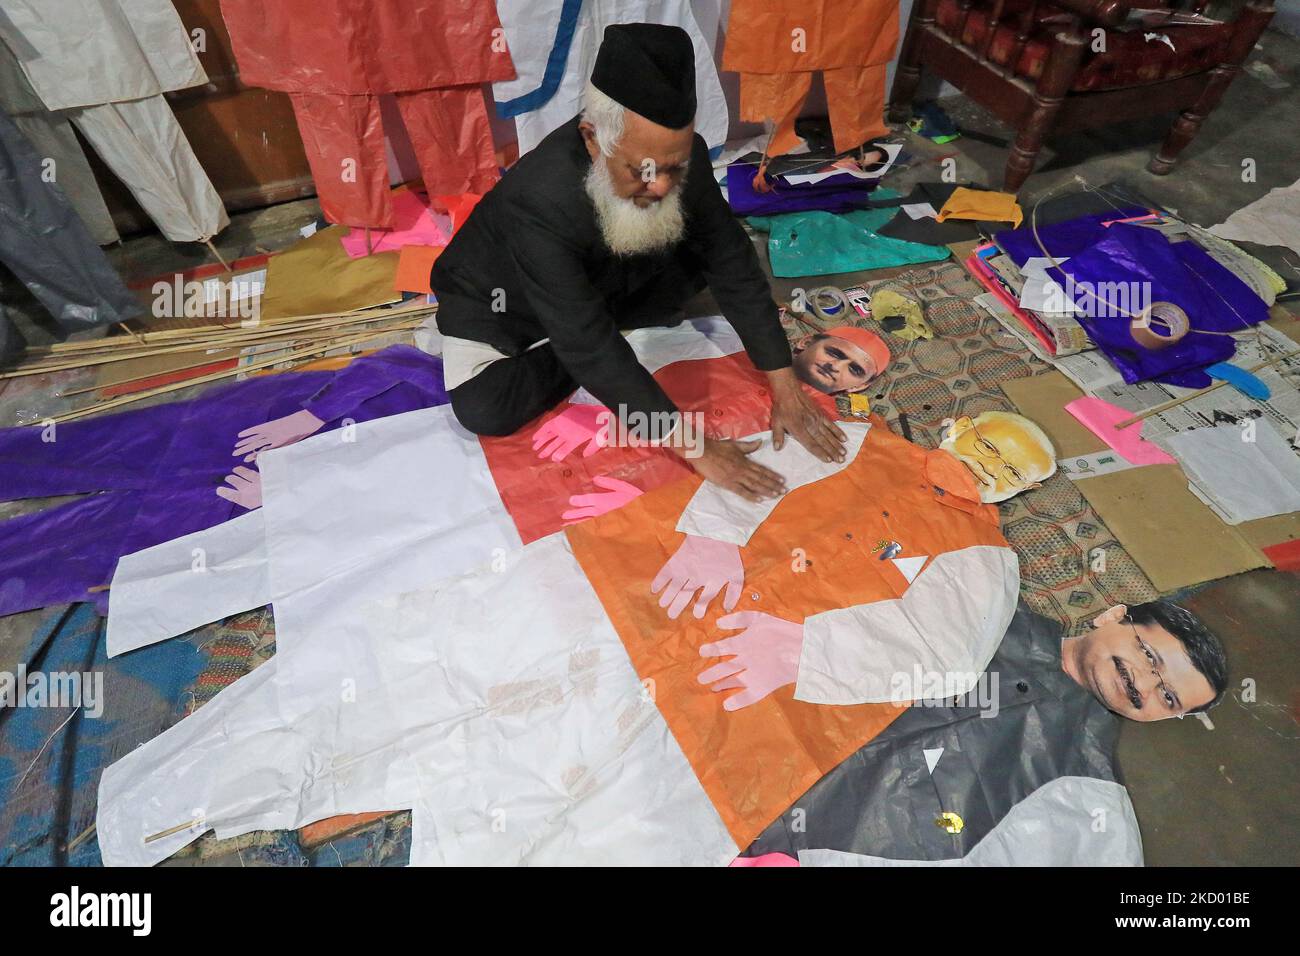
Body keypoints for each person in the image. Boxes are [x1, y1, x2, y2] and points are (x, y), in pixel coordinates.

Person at [430, 23, 845, 504]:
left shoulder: (672, 154)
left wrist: (785, 385)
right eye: (644, 170)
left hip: (600, 277)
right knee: (486, 408)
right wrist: (692, 444)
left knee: (701, 257)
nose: (663, 185)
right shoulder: (539, 200)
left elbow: (729, 258)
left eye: (674, 168)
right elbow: (585, 342)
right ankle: (597, 334)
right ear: (592, 139)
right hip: (504, 305)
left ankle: (607, 323)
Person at [744, 598, 1228, 865]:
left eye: (1168, 697)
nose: (1142, 683)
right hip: (743, 756)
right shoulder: (981, 606)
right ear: (1113, 615)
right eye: (1149, 656)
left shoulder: (1089, 790)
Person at [791, 327, 890, 395]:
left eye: (854, 370)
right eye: (833, 353)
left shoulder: (834, 422)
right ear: (806, 343)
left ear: (860, 386)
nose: (835, 366)